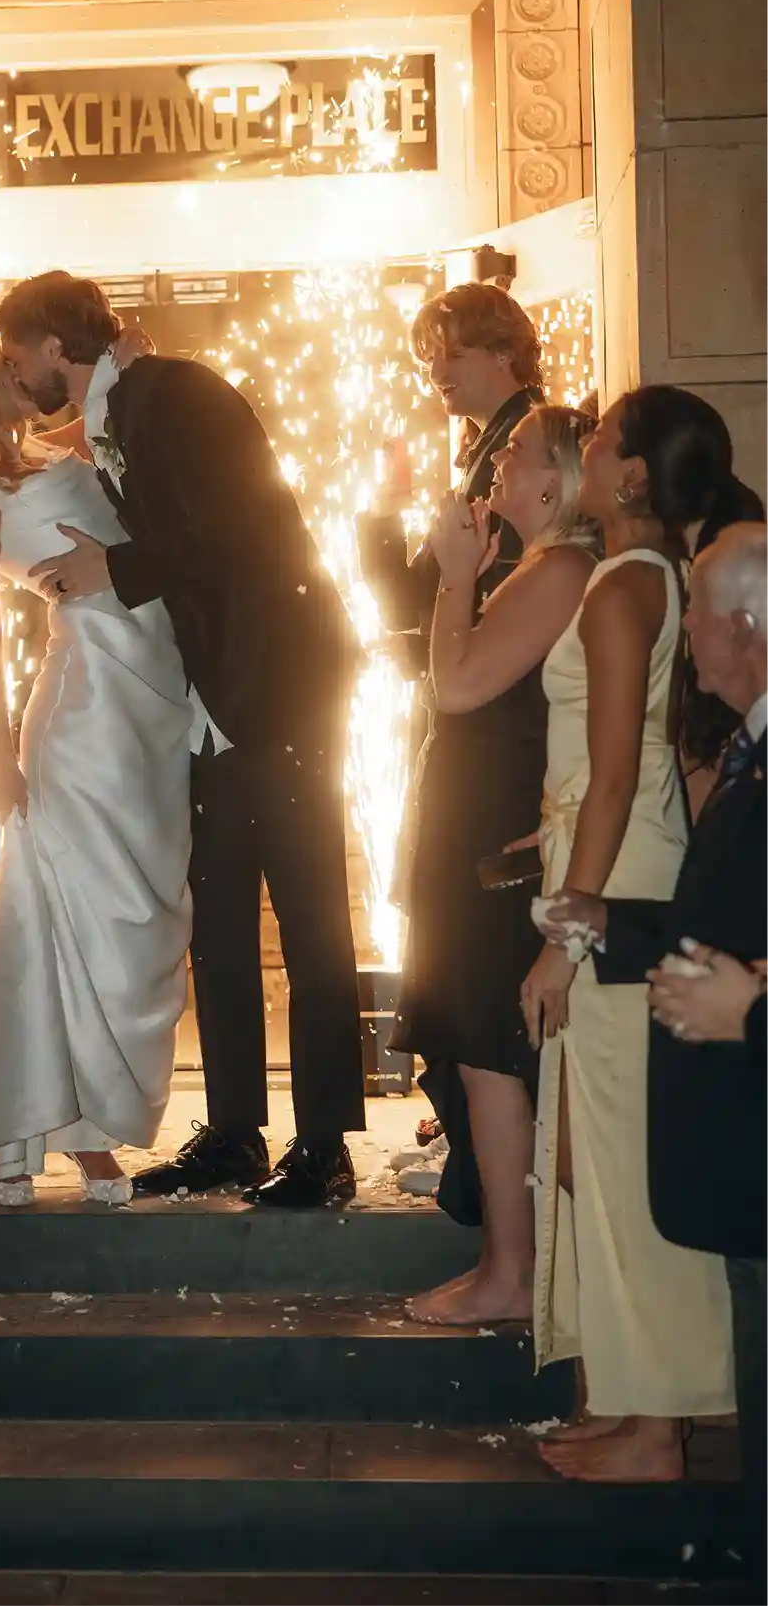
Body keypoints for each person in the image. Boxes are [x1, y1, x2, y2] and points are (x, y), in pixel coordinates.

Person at [0, 272, 363, 1209]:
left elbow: (244, 531)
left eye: (12, 353)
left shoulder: (180, 393)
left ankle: (323, 1145)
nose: (10, 373)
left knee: (312, 920)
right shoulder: (123, 410)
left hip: (277, 691)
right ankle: (237, 1131)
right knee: (222, 921)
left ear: (50, 343)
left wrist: (109, 567)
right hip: (209, 698)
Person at [522, 386, 752, 1484]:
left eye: (602, 438)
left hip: (618, 877)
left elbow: (613, 777)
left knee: (626, 1156)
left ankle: (659, 1422)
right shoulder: (643, 577)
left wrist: (562, 935)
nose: (583, 447)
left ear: (626, 476)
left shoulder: (622, 584)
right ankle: (632, 1398)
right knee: (606, 1159)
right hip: (611, 863)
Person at [0, 335, 192, 1204]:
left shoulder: (50, 449)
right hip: (82, 713)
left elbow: (104, 422)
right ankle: (24, 1128)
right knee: (56, 915)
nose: (16, 375)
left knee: (133, 912)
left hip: (152, 700)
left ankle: (84, 1122)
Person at [397, 406, 598, 1324]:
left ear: (553, 482)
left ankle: (510, 1274)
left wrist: (452, 581)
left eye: (513, 454)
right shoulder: (538, 569)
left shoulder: (557, 570)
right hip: (483, 822)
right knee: (483, 1053)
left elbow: (460, 685)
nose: (494, 466)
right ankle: (509, 1265)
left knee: (489, 1052)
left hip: (499, 834)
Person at [358, 279, 543, 1215]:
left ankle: (487, 1177)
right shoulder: (477, 460)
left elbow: (456, 644)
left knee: (466, 966)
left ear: (503, 350)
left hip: (493, 752)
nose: (433, 369)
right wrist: (381, 514)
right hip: (462, 736)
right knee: (444, 948)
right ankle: (474, 1156)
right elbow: (415, 612)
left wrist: (438, 587)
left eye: (450, 349)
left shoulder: (522, 455)